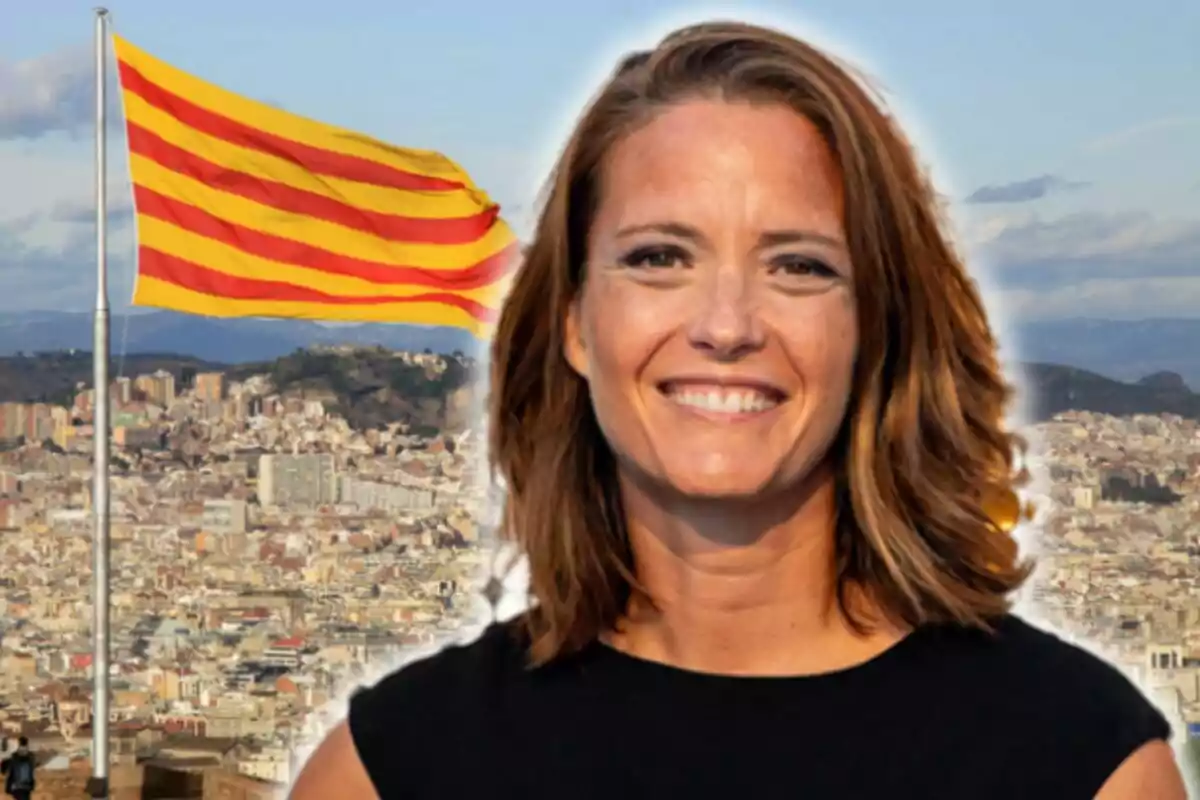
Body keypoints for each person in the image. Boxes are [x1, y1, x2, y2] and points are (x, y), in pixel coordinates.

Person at [291, 20, 1187, 800]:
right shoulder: (392, 771)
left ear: (873, 328)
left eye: (799, 266)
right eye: (657, 258)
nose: (726, 326)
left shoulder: (1080, 766)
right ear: (573, 322)